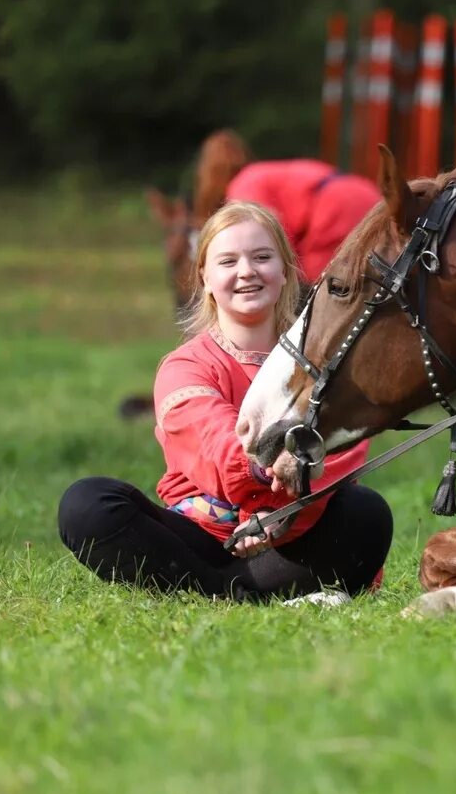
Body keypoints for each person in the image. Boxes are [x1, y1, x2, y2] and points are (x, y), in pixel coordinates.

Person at [59, 201, 392, 602]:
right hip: (196, 543)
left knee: (365, 511)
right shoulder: (185, 365)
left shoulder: (324, 365)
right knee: (86, 503)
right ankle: (234, 591)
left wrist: (277, 514)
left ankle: (215, 593)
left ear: (286, 270)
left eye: (262, 257)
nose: (247, 271)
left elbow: (340, 452)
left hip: (294, 544)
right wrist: (258, 496)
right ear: (204, 276)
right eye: (228, 261)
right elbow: (209, 440)